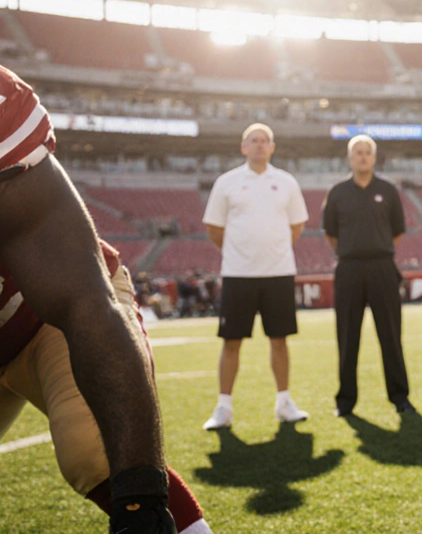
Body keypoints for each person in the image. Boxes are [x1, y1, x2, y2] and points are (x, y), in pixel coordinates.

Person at [0, 66, 208, 533]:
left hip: (44, 315)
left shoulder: (3, 119)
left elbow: (82, 299)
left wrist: (139, 502)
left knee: (92, 451)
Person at [201, 123, 310, 430]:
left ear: (272, 147)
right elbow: (214, 228)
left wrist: (272, 250)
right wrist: (241, 253)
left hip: (278, 273)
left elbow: (297, 226)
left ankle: (284, 402)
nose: (260, 145)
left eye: (265, 141)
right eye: (254, 140)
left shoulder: (286, 182)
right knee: (231, 341)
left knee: (280, 340)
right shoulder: (227, 182)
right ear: (243, 146)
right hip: (238, 274)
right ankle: (223, 407)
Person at [321, 134, 413, 418]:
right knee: (347, 337)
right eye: (357, 152)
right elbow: (330, 233)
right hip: (348, 269)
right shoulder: (337, 192)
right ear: (350, 157)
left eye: (367, 152)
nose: (362, 157)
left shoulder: (387, 190)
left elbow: (398, 231)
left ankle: (400, 398)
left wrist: (376, 251)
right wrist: (354, 252)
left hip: (383, 268)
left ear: (374, 158)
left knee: (390, 335)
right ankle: (345, 401)